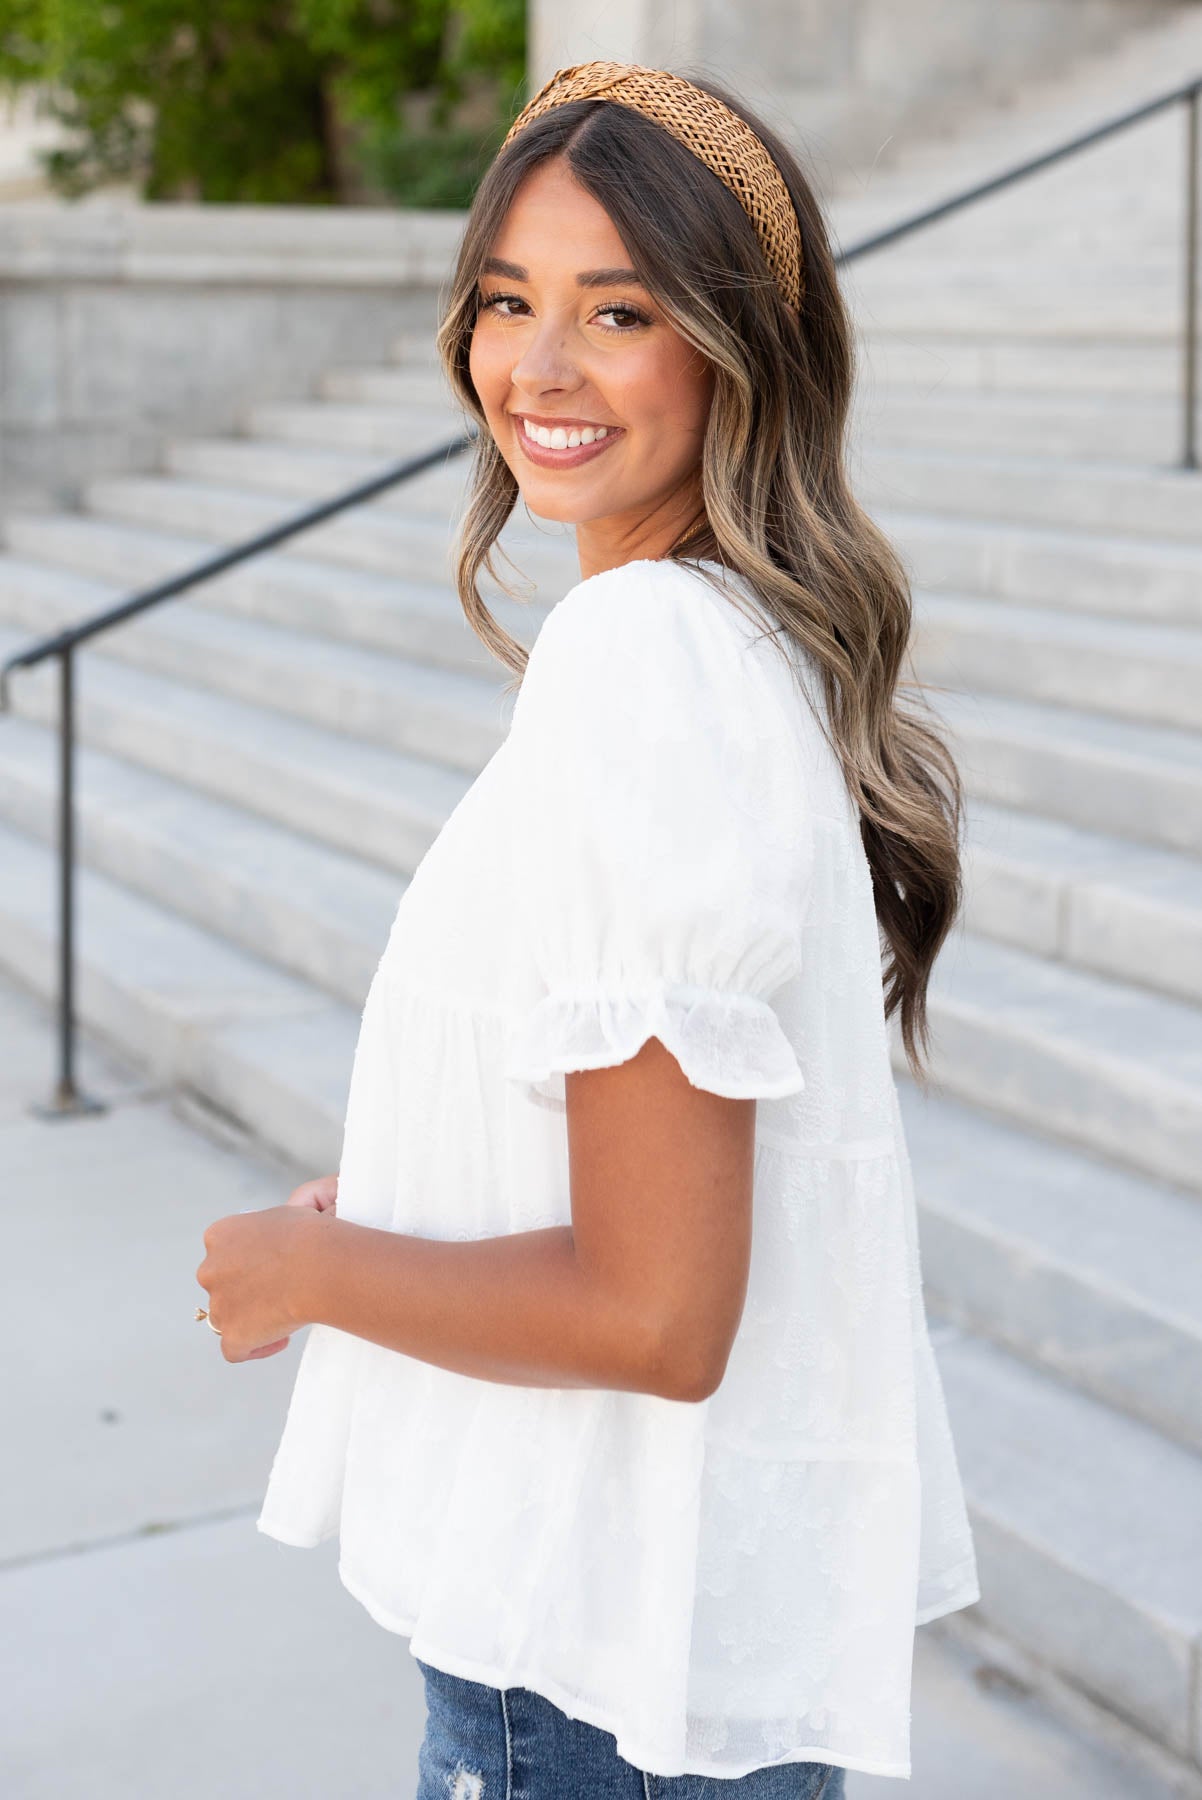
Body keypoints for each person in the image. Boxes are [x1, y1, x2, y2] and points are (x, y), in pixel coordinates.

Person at [196, 59, 980, 1796]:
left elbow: (655, 1315)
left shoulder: (644, 670)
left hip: (579, 1691)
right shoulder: (716, 639)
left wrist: (305, 1274)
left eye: (615, 310)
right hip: (649, 1667)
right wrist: (415, 1197)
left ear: (733, 344)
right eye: (506, 300)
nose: (534, 368)